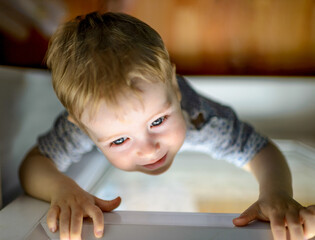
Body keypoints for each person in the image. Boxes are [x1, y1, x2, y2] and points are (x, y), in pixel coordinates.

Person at [19, 11, 315, 240]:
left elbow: (260, 150)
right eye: (119, 141)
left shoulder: (200, 118)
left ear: (174, 88)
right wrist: (62, 189)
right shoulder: (82, 124)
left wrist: (276, 193)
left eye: (158, 121)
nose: (149, 150)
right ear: (83, 129)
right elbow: (33, 165)